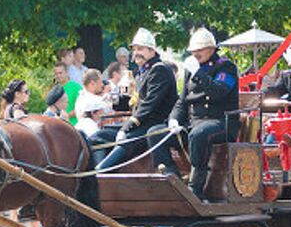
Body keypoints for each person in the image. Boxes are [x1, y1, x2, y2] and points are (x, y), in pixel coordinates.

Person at [148, 27, 239, 200]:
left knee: (199, 135)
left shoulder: (226, 67)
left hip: (221, 122)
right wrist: (174, 120)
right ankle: (172, 179)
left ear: (211, 49)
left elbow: (218, 91)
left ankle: (195, 188)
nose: (195, 54)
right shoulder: (192, 70)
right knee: (155, 133)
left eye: (199, 50)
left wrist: (198, 73)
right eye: (193, 51)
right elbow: (183, 101)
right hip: (195, 123)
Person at [97, 28, 177, 171]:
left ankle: (100, 173)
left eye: (140, 49)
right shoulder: (141, 72)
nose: (136, 53)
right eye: (134, 50)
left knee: (127, 140)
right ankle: (92, 170)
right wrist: (114, 100)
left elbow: (149, 105)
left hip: (154, 124)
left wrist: (127, 126)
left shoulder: (160, 70)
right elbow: (134, 101)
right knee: (99, 137)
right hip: (140, 124)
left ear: (152, 50)